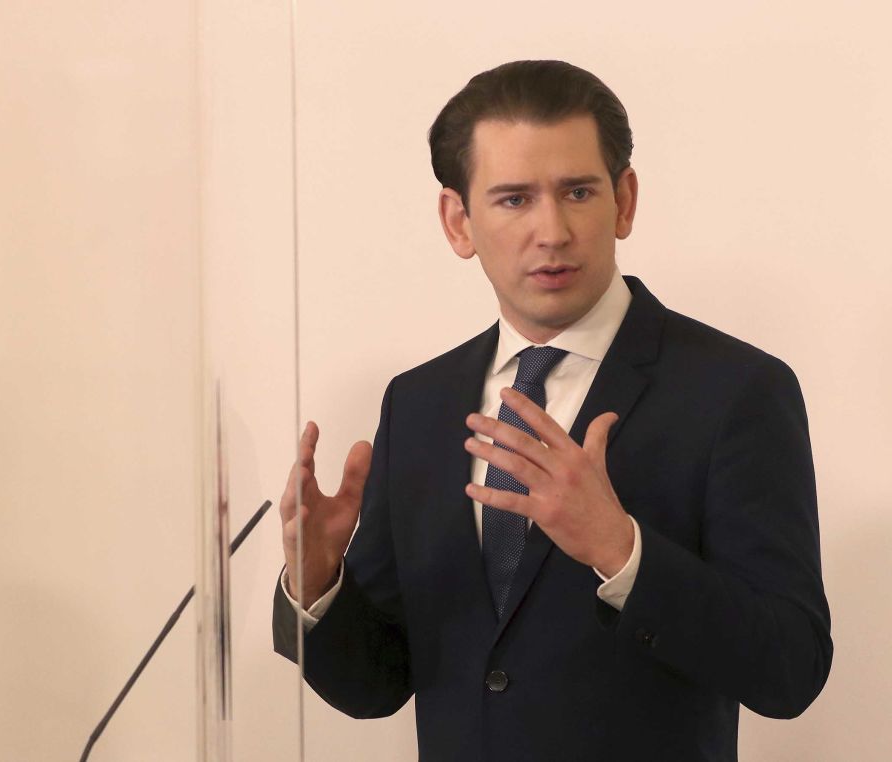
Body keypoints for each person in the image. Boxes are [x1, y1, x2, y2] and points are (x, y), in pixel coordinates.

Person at [273, 59, 833, 761]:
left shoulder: (734, 390)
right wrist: (320, 584)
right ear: (458, 220)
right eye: (513, 199)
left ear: (624, 200)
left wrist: (621, 550)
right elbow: (378, 685)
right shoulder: (419, 403)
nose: (553, 230)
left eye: (577, 191)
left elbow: (790, 668)